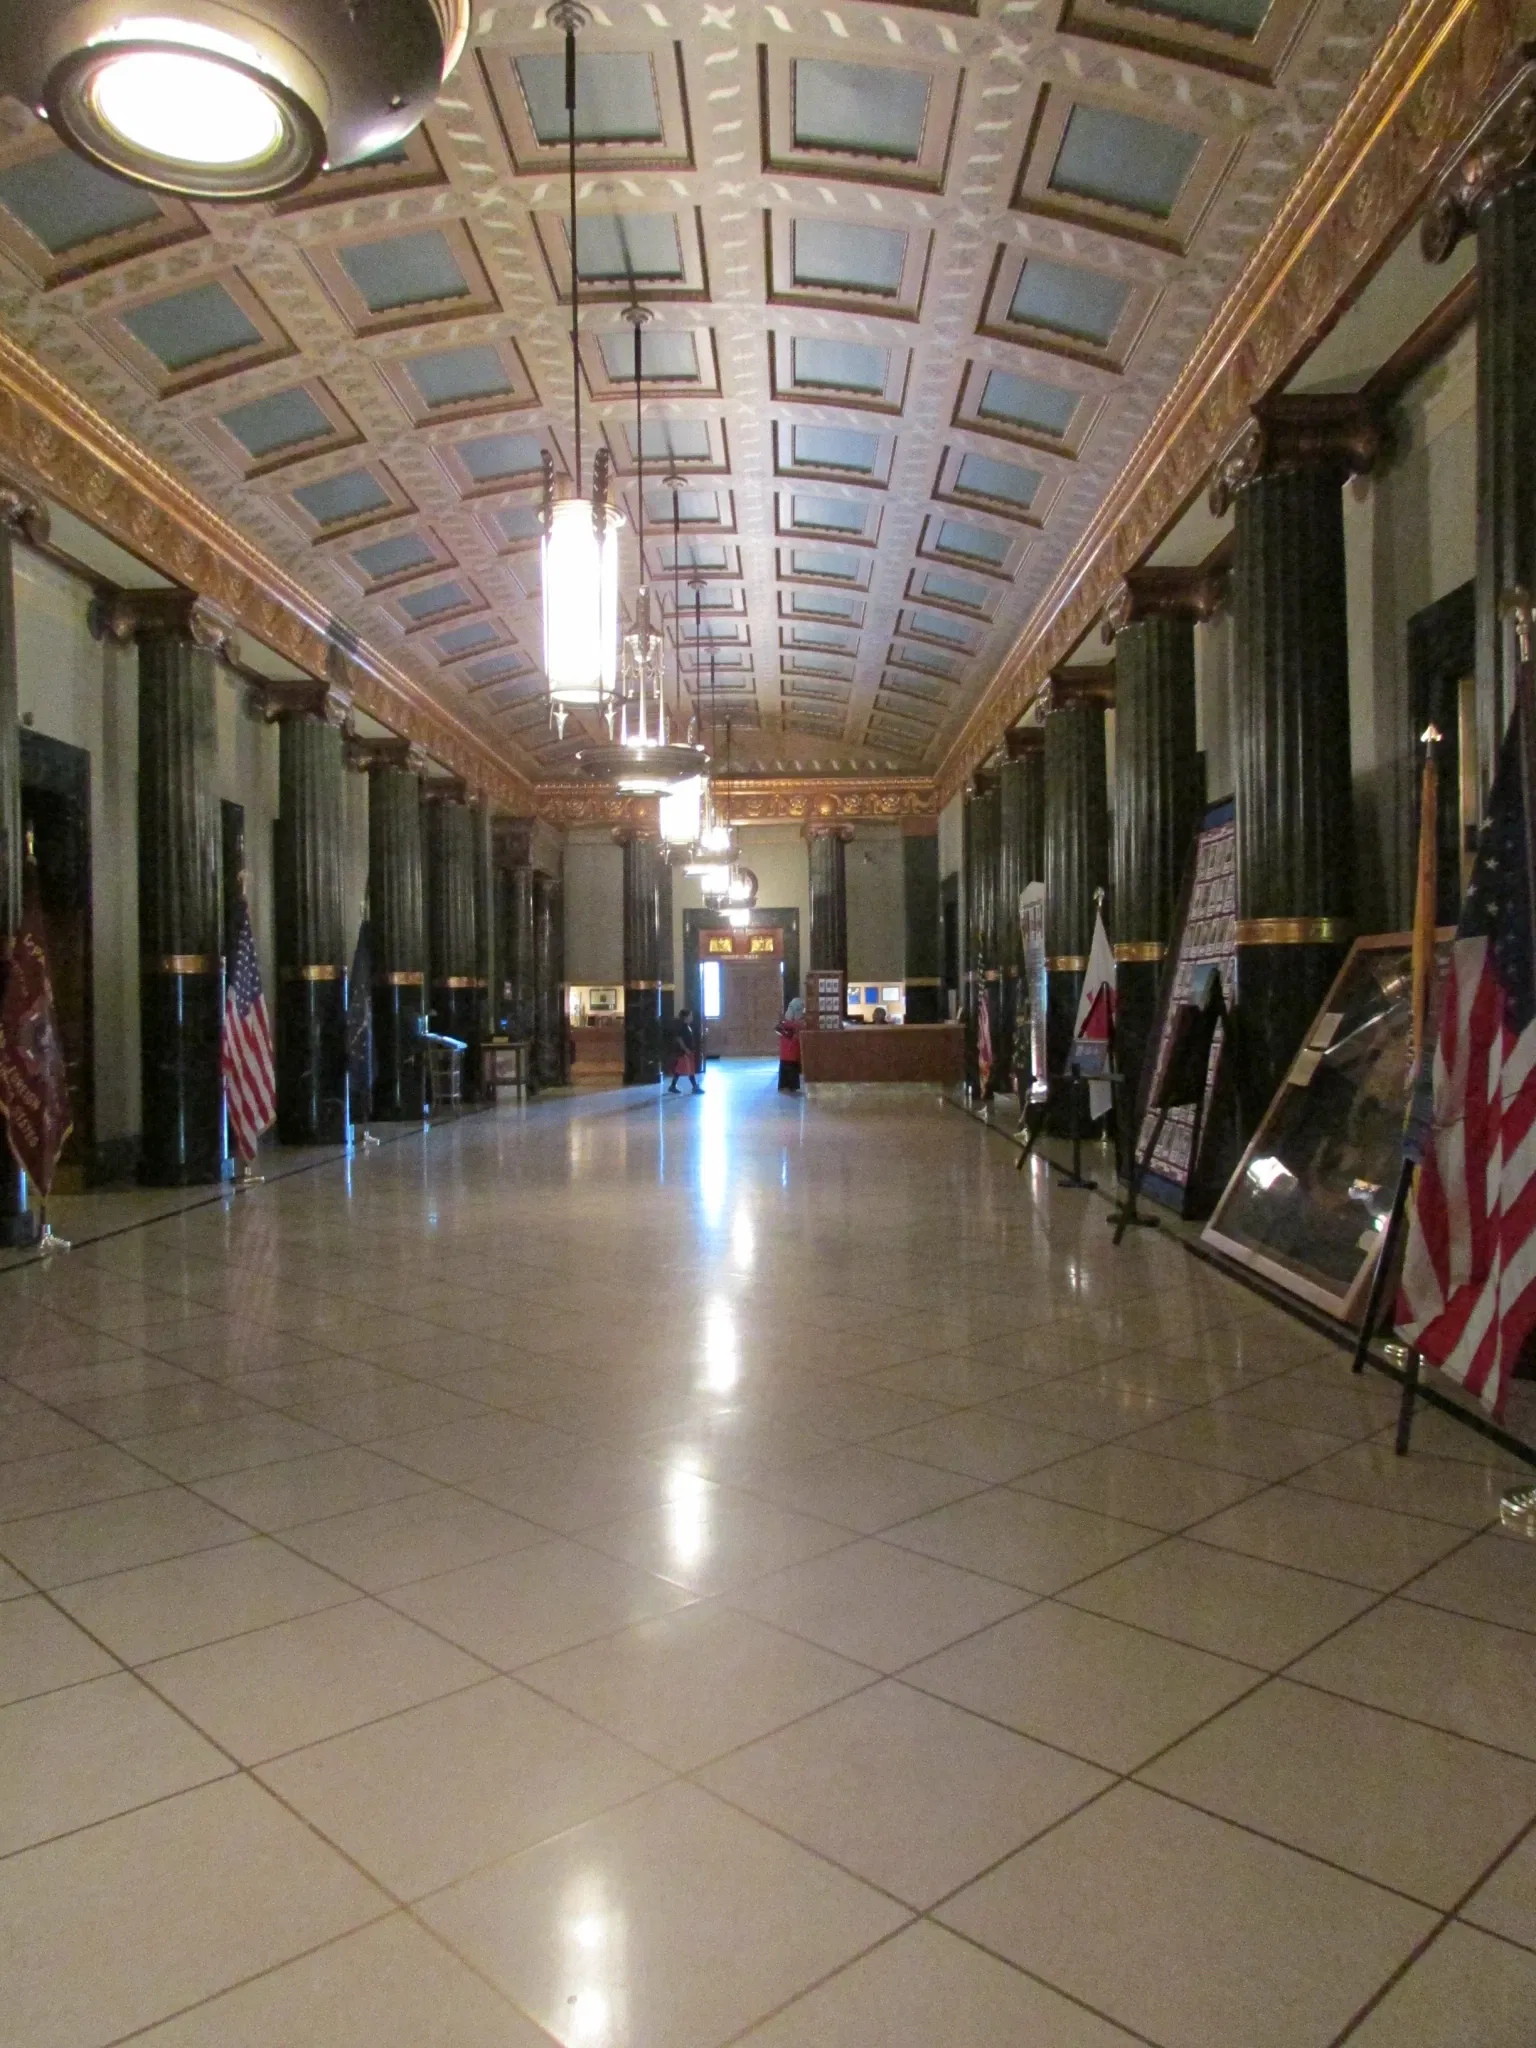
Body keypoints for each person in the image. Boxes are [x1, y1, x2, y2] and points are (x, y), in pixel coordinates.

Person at [666, 1007, 703, 1094]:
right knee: (690, 1069)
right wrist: (686, 1049)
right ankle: (695, 1087)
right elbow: (679, 1039)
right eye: (690, 1015)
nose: (692, 1017)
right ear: (686, 1017)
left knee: (679, 1069)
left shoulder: (687, 1026)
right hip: (685, 1053)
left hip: (689, 1051)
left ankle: (672, 1086)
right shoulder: (682, 1027)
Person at [777, 996, 804, 1093]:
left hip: (785, 1050)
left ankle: (785, 1085)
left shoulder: (784, 1020)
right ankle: (792, 1086)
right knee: (792, 1066)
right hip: (792, 1049)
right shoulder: (797, 1023)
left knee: (785, 1065)